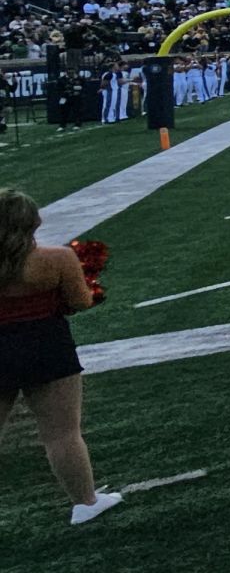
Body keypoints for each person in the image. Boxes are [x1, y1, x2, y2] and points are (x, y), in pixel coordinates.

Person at [0, 188, 117, 525]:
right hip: (47, 346)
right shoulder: (58, 259)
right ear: (32, 222)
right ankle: (85, 503)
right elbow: (81, 301)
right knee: (62, 432)